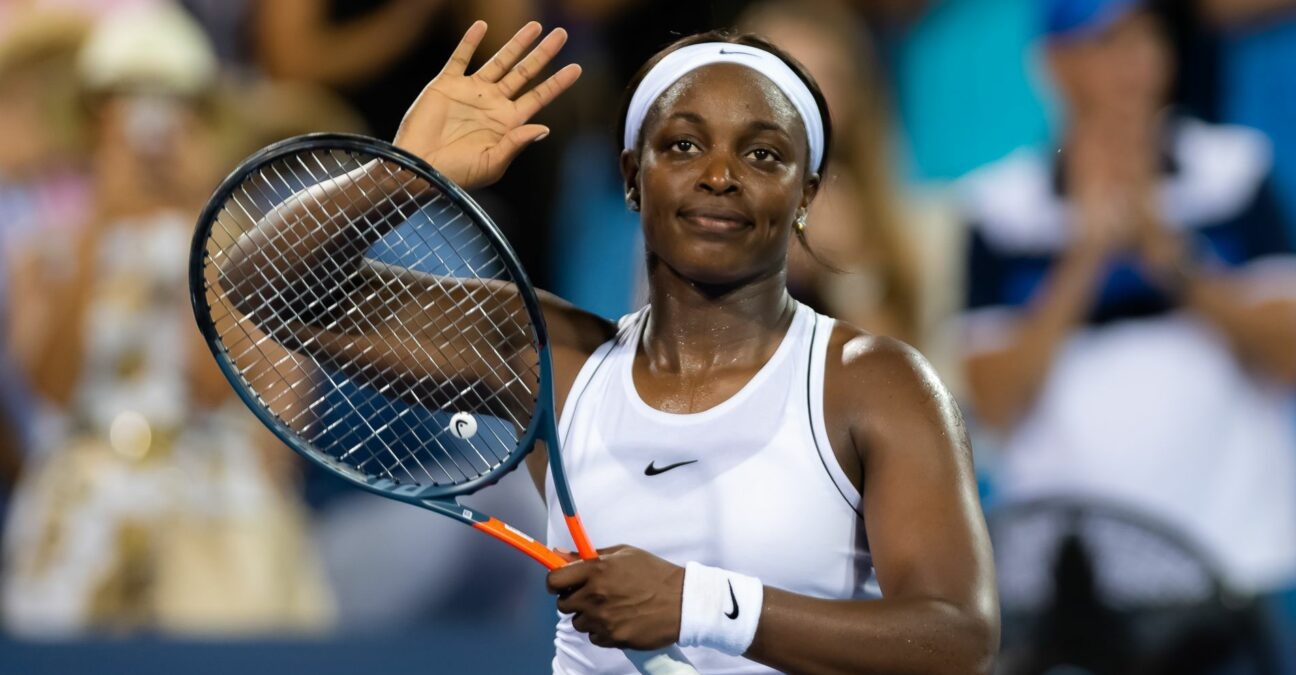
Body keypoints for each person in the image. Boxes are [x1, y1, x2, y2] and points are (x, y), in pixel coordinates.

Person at [235, 19, 999, 674]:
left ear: (808, 190)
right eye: (683, 145)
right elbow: (262, 282)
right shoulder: (552, 357)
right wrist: (405, 176)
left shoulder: (876, 382)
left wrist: (700, 604)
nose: (721, 175)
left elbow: (957, 637)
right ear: (633, 177)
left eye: (763, 154)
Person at [958, 0, 1296, 614]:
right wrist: (1084, 258)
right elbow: (994, 402)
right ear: (1054, 63)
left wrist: (1172, 258)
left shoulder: (1237, 169)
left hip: (1243, 560)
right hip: (1070, 583)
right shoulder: (997, 209)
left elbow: (1289, 352)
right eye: (1108, 42)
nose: (1135, 64)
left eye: (1147, 38)